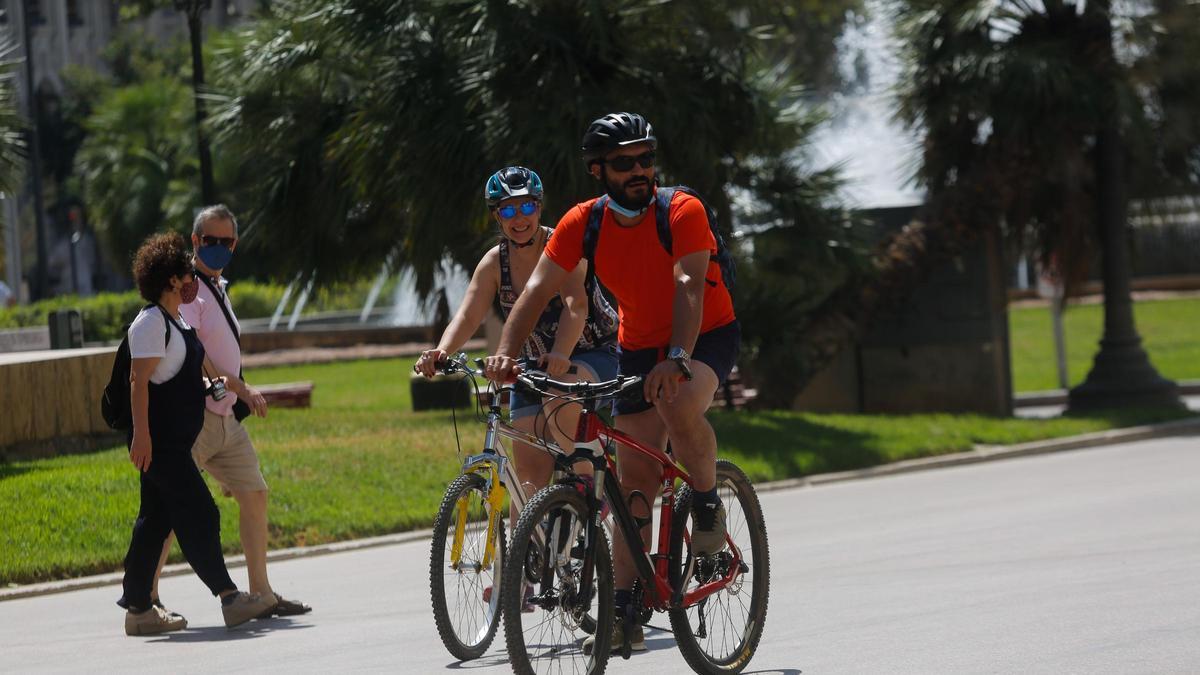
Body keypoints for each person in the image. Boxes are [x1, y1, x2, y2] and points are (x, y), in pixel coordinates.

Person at [485, 113, 740, 652]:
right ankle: (625, 607)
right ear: (598, 169)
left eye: (647, 158)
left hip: (705, 332)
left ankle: (709, 503)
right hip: (638, 343)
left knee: (678, 405)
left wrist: (678, 356)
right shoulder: (585, 223)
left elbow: (690, 284)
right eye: (625, 163)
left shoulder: (682, 210)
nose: (640, 170)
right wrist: (506, 354)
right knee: (633, 480)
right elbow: (532, 294)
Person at [415, 166, 619, 527]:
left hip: (594, 353)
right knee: (527, 475)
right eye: (507, 210)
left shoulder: (564, 244)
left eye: (526, 207)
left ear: (539, 208)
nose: (519, 218)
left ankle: (591, 484)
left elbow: (576, 305)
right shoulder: (495, 262)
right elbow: (467, 314)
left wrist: (560, 353)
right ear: (496, 216)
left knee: (558, 396)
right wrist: (441, 352)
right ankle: (518, 577)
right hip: (534, 364)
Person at [149, 205, 311, 624]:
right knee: (169, 507)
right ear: (195, 241)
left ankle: (261, 593)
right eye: (210, 241)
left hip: (224, 418)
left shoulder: (218, 287)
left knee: (254, 493)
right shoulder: (190, 292)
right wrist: (241, 386)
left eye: (226, 242)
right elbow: (190, 354)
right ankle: (147, 599)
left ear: (234, 244)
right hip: (195, 417)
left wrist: (234, 390)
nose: (218, 248)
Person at [117, 232, 275, 635]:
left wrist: (228, 388)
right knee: (200, 512)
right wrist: (141, 436)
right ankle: (229, 597)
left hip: (175, 440)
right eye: (185, 273)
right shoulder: (151, 323)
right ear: (170, 280)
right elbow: (139, 382)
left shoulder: (178, 321)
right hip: (162, 444)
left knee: (155, 520)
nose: (191, 279)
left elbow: (185, 380)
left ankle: (138, 609)